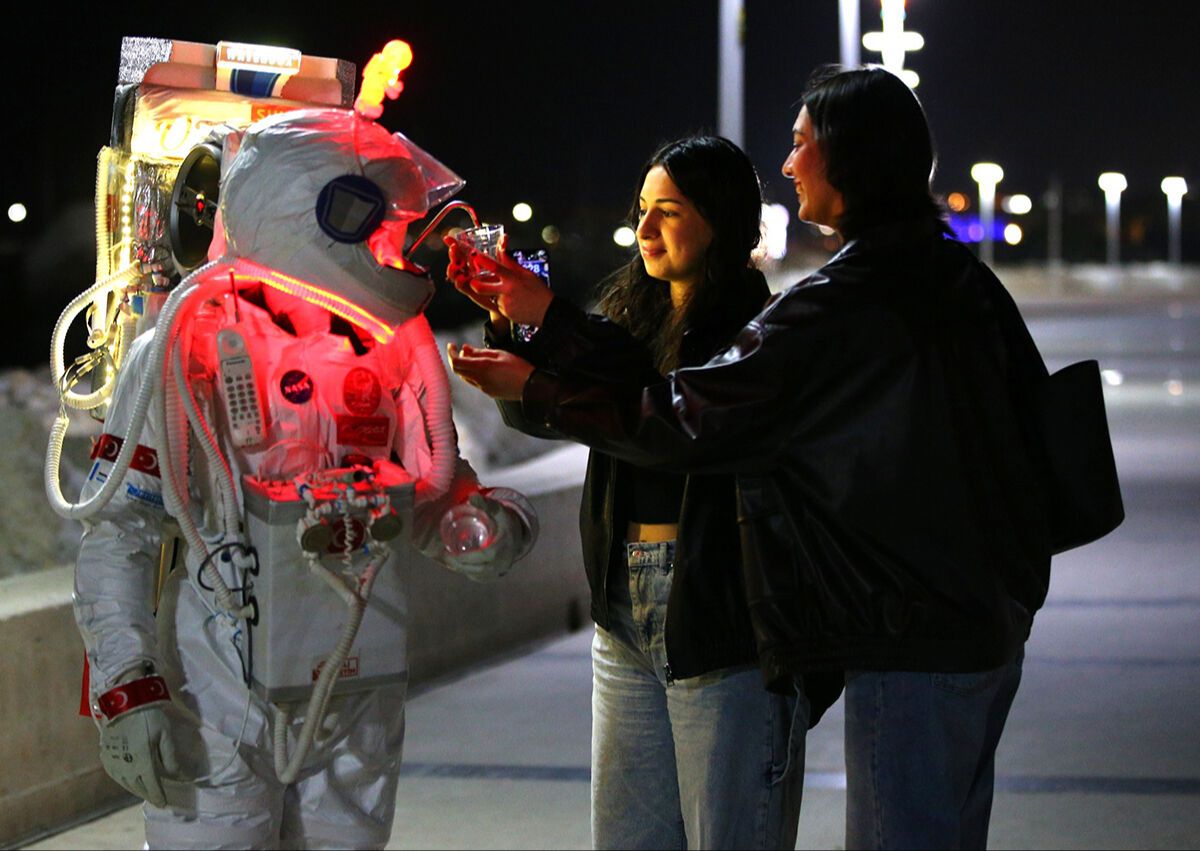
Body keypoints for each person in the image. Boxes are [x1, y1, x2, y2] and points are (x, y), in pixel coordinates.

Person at [449, 66, 1054, 850]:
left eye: (804, 145)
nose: (791, 163)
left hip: (904, 627)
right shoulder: (959, 283)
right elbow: (1038, 434)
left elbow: (682, 414)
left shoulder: (838, 302)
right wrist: (536, 338)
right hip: (973, 617)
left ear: (854, 159)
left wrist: (547, 363)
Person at [69, 109, 537, 850]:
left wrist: (479, 522)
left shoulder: (385, 350)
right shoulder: (184, 348)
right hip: (217, 695)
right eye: (380, 222)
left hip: (356, 693)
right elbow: (122, 529)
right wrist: (128, 686)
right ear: (315, 210)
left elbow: (429, 487)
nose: (392, 244)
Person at [447, 135, 819, 850]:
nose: (645, 229)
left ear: (721, 219)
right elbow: (552, 409)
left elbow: (660, 411)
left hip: (721, 611)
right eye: (643, 209)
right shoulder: (629, 314)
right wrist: (513, 327)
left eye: (669, 212)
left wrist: (548, 325)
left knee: (731, 832)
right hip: (624, 608)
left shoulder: (754, 330)